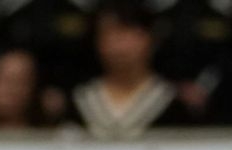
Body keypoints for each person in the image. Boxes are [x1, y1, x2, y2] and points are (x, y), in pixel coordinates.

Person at [61, 0, 196, 138]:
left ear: (150, 39)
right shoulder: (80, 102)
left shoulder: (173, 103)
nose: (118, 46)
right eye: (108, 35)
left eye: (127, 34)